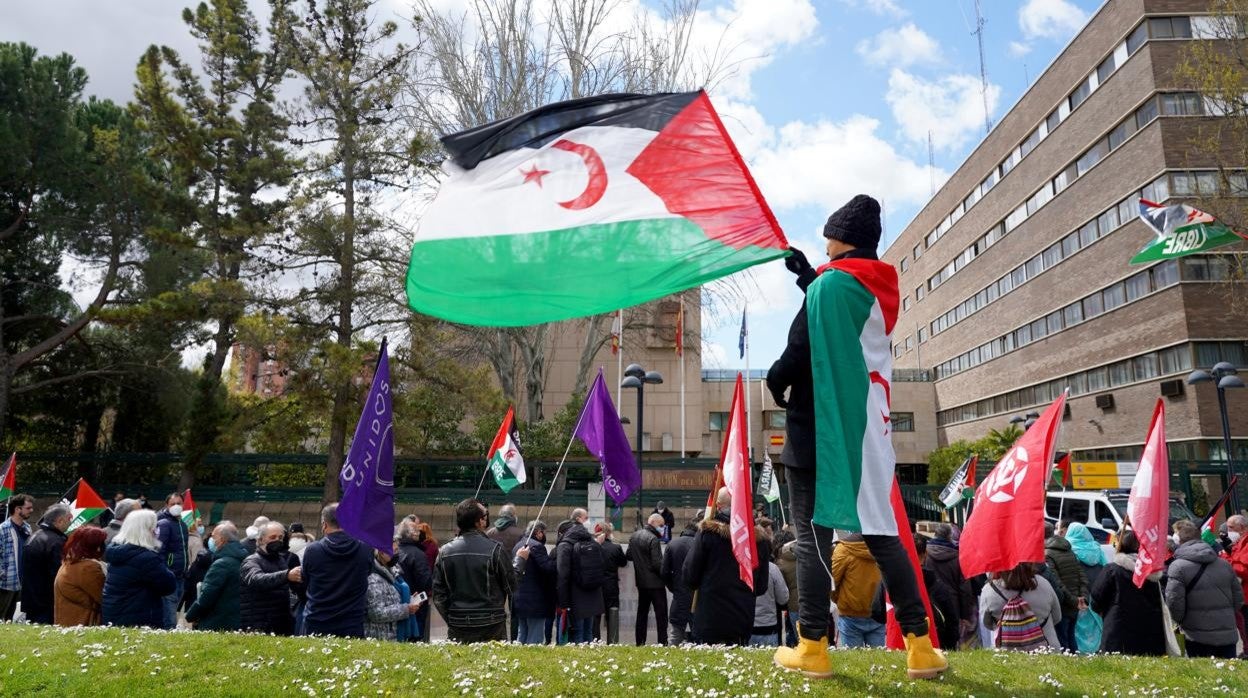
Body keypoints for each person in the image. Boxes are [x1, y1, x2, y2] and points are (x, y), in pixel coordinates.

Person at [768, 195, 945, 679]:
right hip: (870, 429)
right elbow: (838, 311)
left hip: (819, 430)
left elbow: (802, 346)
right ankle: (921, 646)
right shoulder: (875, 286)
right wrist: (810, 278)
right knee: (884, 535)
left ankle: (812, 646)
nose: (825, 252)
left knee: (811, 541)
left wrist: (775, 377)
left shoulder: (829, 287)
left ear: (839, 240)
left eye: (828, 246)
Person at [433, 498, 530, 642]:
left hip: (460, 623)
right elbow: (512, 585)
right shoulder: (495, 549)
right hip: (491, 624)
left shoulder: (444, 552)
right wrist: (520, 560)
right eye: (485, 516)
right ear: (480, 521)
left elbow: (439, 595)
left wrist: (453, 618)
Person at [683, 488, 770, 646]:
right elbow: (761, 586)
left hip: (709, 619)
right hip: (742, 620)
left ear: (719, 506)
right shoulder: (760, 541)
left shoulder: (707, 534)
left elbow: (690, 576)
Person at [1164, 519, 1244, 658]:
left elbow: (1174, 602)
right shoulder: (1224, 564)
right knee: (1229, 678)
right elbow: (1238, 599)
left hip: (1196, 635)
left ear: (1178, 539)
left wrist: (1181, 621)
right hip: (1226, 635)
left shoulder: (1177, 567)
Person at [302, 503, 374, 638]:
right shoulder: (365, 548)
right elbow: (368, 572)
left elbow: (305, 578)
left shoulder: (313, 550)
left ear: (324, 524)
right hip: (352, 621)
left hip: (318, 619)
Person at [1089, 530, 1166, 656]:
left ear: (1120, 545)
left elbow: (1096, 598)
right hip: (1149, 633)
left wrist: (1104, 611)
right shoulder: (1152, 573)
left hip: (1118, 630)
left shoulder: (1112, 570)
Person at [102, 510, 177, 628]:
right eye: (155, 527)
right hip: (140, 621)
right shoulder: (147, 558)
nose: (157, 531)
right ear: (146, 530)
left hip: (115, 616)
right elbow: (168, 586)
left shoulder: (116, 551)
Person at [979, 562, 1062, 650]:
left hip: (1010, 652)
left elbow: (987, 624)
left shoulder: (989, 591)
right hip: (1047, 648)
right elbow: (1057, 617)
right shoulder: (1043, 583)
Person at [240, 521, 303, 635]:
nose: (277, 541)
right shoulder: (251, 561)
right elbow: (257, 579)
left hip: (281, 622)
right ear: (260, 540)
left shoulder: (281, 560)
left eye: (280, 537)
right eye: (273, 537)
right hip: (259, 624)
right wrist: (287, 575)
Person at [554, 509, 604, 643]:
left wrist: (563, 602)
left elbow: (562, 575)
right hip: (593, 595)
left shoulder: (565, 544)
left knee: (576, 633)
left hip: (574, 597)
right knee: (588, 632)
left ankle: (577, 662)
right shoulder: (593, 542)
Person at [185, 520, 246, 631]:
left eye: (213, 537)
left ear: (222, 540)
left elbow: (208, 595)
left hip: (218, 622)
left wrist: (191, 615)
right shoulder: (245, 558)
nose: (211, 540)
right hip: (238, 620)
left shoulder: (221, 564)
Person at [923, 523, 975, 649]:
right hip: (953, 604)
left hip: (931, 601)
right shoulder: (957, 557)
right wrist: (965, 615)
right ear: (949, 537)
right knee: (951, 636)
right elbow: (964, 589)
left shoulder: (925, 555)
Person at [21, 503, 72, 624]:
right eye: (69, 519)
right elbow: (59, 575)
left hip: (32, 600)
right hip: (47, 603)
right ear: (60, 521)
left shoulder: (35, 536)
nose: (70, 523)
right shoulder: (56, 542)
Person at [831, 532, 885, 647]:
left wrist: (839, 600)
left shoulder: (843, 549)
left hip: (850, 613)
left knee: (854, 661)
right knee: (879, 661)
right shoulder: (885, 547)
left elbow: (832, 583)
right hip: (878, 612)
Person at [1044, 520, 1089, 652]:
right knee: (1070, 637)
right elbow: (1082, 576)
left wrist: (1074, 600)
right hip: (1075, 602)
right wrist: (1082, 598)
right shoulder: (1068, 550)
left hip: (1062, 604)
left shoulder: (1047, 554)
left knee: (1063, 640)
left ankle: (1069, 668)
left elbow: (1056, 582)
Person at [53, 525, 107, 627]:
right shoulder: (87, 568)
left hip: (69, 624)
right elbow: (104, 597)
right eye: (100, 543)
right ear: (95, 546)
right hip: (83, 626)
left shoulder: (71, 561)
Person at [365, 546, 422, 641]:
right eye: (394, 550)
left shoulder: (392, 571)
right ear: (382, 553)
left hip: (392, 635)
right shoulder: (373, 578)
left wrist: (410, 600)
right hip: (381, 638)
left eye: (398, 549)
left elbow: (390, 599)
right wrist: (406, 609)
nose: (397, 553)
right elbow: (376, 613)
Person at [915, 535, 961, 651]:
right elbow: (952, 621)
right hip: (939, 643)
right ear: (925, 554)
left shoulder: (897, 583)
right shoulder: (938, 586)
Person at [513, 521, 557, 644]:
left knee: (522, 634)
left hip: (520, 598)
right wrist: (556, 560)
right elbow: (548, 568)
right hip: (535, 600)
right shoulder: (537, 546)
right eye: (544, 532)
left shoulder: (518, 545)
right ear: (538, 532)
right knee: (535, 637)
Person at [628, 513, 668, 645]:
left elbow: (628, 555)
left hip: (641, 583)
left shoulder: (634, 536)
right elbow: (657, 563)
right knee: (661, 616)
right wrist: (666, 574)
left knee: (642, 613)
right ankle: (662, 642)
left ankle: (640, 642)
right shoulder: (653, 539)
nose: (663, 528)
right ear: (654, 523)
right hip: (656, 584)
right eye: (661, 525)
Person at [662, 513, 699, 644]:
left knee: (675, 636)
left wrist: (674, 588)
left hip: (679, 596)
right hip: (698, 598)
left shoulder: (673, 544)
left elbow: (664, 572)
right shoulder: (700, 545)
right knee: (700, 638)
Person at [154, 492, 189, 629]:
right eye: (172, 504)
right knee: (169, 615)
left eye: (179, 503)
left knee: (173, 608)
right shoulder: (164, 524)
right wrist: (165, 571)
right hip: (170, 576)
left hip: (181, 575)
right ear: (166, 506)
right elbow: (159, 551)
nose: (176, 506)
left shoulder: (183, 524)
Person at [395, 519, 433, 642]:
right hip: (416, 604)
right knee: (415, 638)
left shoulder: (395, 551)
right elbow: (426, 582)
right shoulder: (418, 554)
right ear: (411, 534)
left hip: (396, 603)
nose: (419, 532)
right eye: (416, 530)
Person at [750, 533, 790, 647]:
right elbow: (783, 598)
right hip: (768, 626)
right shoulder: (772, 569)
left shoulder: (741, 569)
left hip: (747, 625)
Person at [592, 522, 628, 644]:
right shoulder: (615, 548)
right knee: (612, 614)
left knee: (595, 616)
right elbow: (623, 562)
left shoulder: (591, 547)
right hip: (610, 585)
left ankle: (595, 642)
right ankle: (612, 641)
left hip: (595, 585)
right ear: (609, 533)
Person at [0, 494, 34, 620]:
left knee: (12, 618)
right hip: (6, 583)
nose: (31, 510)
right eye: (28, 508)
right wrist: (2, 573)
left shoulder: (27, 528)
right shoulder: (3, 529)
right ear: (17, 509)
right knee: (2, 617)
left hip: (22, 581)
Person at [1226, 514, 1248, 650]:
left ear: (1242, 527)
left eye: (1231, 528)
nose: (1228, 531)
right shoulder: (1240, 542)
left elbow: (1243, 569)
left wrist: (1224, 558)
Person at [1064, 522, 1106, 591]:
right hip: (1098, 584)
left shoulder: (1069, 548)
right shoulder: (1096, 547)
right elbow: (1105, 565)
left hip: (1081, 588)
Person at [776, 538, 800, 647]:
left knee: (797, 637)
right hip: (811, 603)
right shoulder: (807, 557)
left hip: (793, 605)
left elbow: (782, 588)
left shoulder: (781, 563)